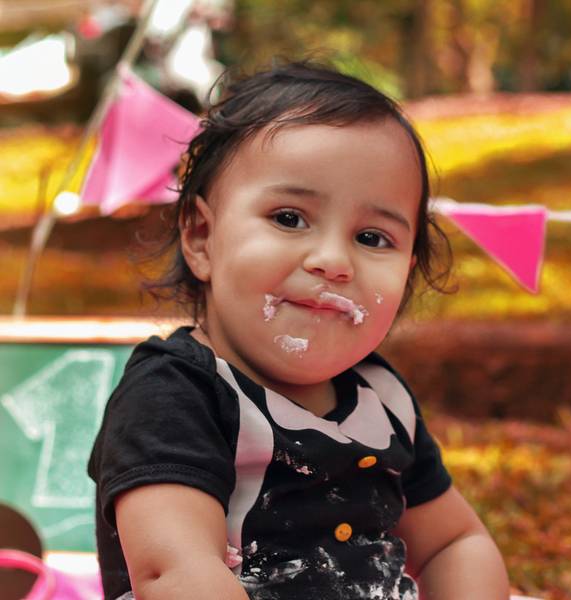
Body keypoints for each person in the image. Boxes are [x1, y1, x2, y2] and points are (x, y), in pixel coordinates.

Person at [88, 60, 509, 600]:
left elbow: (455, 542)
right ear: (200, 238)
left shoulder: (382, 401)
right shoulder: (176, 395)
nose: (334, 261)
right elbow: (175, 573)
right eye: (289, 218)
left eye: (373, 238)